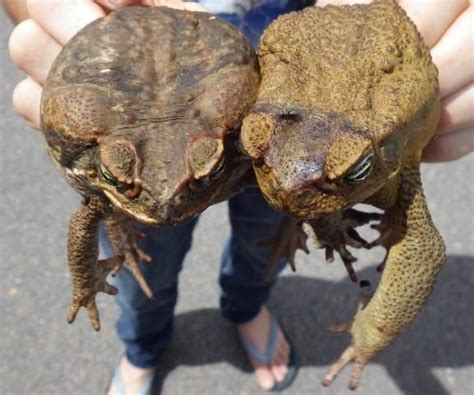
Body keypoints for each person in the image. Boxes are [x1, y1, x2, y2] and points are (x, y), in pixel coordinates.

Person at [4, 0, 473, 394]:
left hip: (245, 132)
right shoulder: (262, 140)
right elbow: (90, 209)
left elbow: (416, 243)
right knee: (144, 263)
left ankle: (246, 305)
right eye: (258, 137)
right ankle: (142, 346)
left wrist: (322, 215)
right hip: (217, 119)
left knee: (269, 231)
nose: (167, 202)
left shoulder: (368, 142)